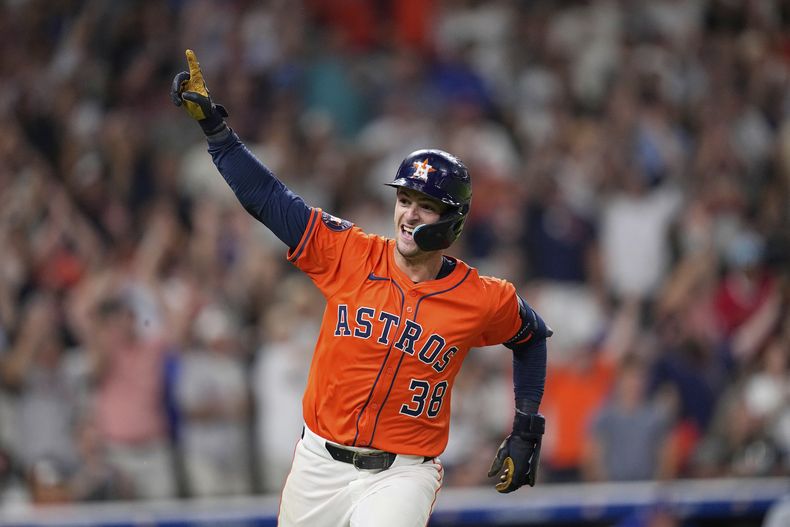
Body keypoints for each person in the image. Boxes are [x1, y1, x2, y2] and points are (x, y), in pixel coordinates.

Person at [171, 49, 552, 526]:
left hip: (403, 474)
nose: (408, 213)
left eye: (426, 205)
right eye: (405, 199)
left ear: (453, 220)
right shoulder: (351, 253)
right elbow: (270, 200)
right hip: (319, 463)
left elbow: (531, 336)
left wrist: (526, 427)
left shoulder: (482, 297)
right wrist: (217, 134)